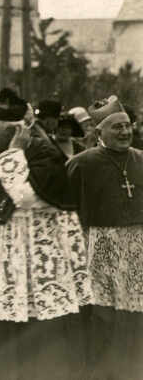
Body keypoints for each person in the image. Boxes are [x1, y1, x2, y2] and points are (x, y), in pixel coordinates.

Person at [0, 90, 90, 380]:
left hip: (43, 252)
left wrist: (14, 153)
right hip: (11, 247)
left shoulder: (44, 151)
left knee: (43, 332)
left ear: (14, 131)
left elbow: (26, 197)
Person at [66, 96, 143, 379]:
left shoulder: (141, 159)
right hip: (98, 246)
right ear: (99, 133)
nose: (125, 132)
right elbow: (67, 213)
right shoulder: (81, 164)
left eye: (127, 126)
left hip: (138, 246)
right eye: (117, 128)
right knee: (102, 316)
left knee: (136, 317)